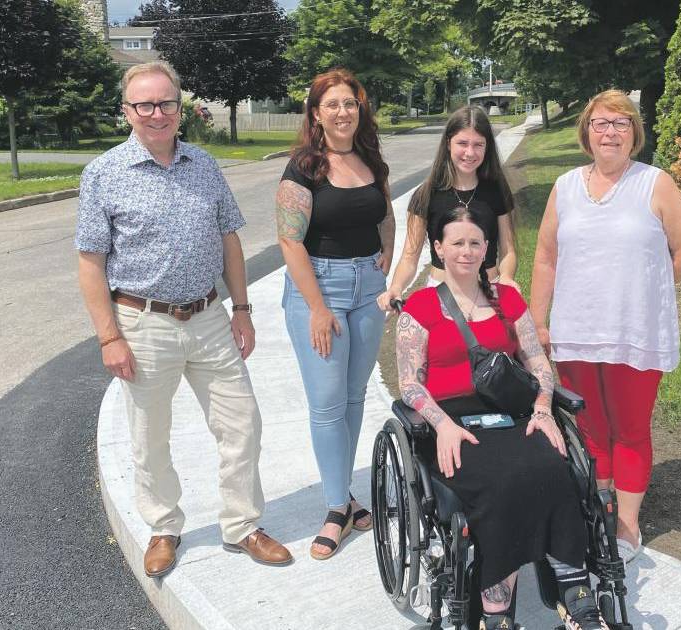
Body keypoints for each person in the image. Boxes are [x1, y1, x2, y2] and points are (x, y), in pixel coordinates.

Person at [75, 61, 292, 578]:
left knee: (243, 424)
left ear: (181, 107)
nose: (156, 113)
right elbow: (91, 263)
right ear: (126, 111)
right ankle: (164, 527)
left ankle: (242, 525)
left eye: (166, 102)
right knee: (150, 435)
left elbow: (229, 240)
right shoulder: (103, 174)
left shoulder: (204, 164)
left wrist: (241, 309)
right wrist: (109, 337)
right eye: (144, 104)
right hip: (143, 323)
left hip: (210, 318)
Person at [396, 207, 609, 630]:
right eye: (456, 242)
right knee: (501, 484)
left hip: (509, 411)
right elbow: (409, 383)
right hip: (451, 420)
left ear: (487, 248)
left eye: (475, 242)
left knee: (554, 466)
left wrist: (544, 408)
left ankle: (575, 592)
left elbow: (537, 362)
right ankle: (496, 612)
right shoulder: (419, 308)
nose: (467, 251)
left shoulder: (508, 299)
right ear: (438, 248)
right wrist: (441, 424)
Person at [530, 89, 681, 563]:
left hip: (634, 332)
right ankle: (599, 503)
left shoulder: (656, 184)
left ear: (635, 134)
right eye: (601, 123)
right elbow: (546, 257)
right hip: (577, 331)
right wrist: (539, 321)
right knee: (590, 425)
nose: (610, 132)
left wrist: (643, 284)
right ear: (586, 132)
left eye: (621, 124)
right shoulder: (565, 186)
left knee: (629, 428)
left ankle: (627, 524)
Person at [276, 68, 395, 560]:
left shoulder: (370, 160)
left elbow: (385, 214)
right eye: (333, 105)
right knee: (326, 405)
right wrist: (319, 308)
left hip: (368, 291)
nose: (343, 112)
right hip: (318, 290)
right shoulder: (303, 168)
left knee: (352, 397)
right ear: (316, 114)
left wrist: (385, 256)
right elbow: (289, 240)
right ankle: (334, 508)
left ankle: (343, 494)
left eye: (350, 103)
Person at [378, 105, 518, 313]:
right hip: (441, 298)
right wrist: (396, 287)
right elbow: (409, 256)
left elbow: (508, 251)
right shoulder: (426, 195)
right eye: (462, 143)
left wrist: (506, 278)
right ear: (448, 143)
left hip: (489, 295)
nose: (470, 153)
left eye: (478, 144)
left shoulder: (496, 191)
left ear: (487, 147)